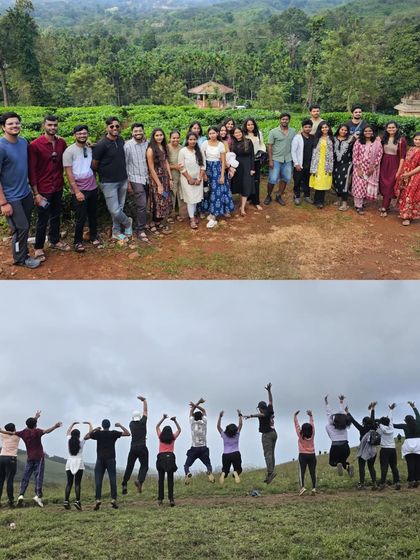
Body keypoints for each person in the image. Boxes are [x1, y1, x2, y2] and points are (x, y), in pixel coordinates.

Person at [0, 112, 39, 269]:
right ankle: (20, 258)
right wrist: (3, 203)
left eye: (17, 123)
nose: (15, 126)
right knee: (20, 228)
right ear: (3, 127)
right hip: (11, 198)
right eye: (10, 124)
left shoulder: (23, 142)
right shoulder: (1, 147)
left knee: (25, 227)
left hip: (25, 193)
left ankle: (23, 253)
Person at [0, 410, 62, 507]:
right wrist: (55, 426)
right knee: (38, 476)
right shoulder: (37, 431)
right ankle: (37, 495)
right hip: (39, 457)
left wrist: (0, 430)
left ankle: (21, 495)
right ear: (35, 425)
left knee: (26, 476)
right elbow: (47, 431)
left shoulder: (22, 432)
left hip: (28, 457)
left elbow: (11, 432)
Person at [29, 115, 69, 262]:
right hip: (43, 188)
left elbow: (69, 156)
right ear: (43, 126)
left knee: (56, 216)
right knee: (42, 219)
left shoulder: (61, 143)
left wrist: (87, 145)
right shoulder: (35, 145)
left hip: (57, 186)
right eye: (50, 125)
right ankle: (39, 247)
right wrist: (36, 193)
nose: (53, 127)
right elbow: (32, 170)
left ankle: (55, 240)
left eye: (55, 125)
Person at [92, 116, 132, 242]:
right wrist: (104, 173)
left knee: (119, 207)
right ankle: (128, 222)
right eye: (112, 126)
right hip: (108, 182)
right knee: (114, 210)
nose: (115, 128)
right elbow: (94, 164)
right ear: (107, 128)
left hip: (123, 179)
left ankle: (115, 231)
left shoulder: (121, 140)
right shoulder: (101, 144)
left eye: (117, 126)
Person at [63, 125, 100, 252]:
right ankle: (77, 241)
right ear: (74, 135)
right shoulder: (69, 151)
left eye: (84, 133)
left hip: (92, 186)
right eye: (79, 134)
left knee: (93, 214)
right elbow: (68, 173)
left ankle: (93, 236)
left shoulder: (90, 148)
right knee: (81, 216)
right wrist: (76, 191)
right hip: (79, 188)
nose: (82, 136)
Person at [85, 418, 130, 510]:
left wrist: (95, 430)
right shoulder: (113, 433)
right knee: (112, 480)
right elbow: (128, 433)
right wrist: (120, 425)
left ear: (102, 425)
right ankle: (113, 499)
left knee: (98, 481)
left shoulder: (98, 434)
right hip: (111, 459)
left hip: (100, 460)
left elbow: (86, 437)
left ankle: (97, 500)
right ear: (109, 426)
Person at [244, 383, 277, 484]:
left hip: (267, 434)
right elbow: (271, 400)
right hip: (274, 433)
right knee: (271, 453)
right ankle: (271, 472)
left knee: (267, 454)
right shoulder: (270, 409)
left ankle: (270, 473)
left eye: (259, 408)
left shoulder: (265, 413)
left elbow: (262, 415)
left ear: (261, 408)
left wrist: (251, 415)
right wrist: (269, 391)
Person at [201, 126, 234, 227]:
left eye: (214, 133)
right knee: (207, 190)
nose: (212, 135)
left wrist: (222, 175)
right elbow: (202, 159)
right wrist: (204, 173)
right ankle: (207, 210)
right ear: (208, 135)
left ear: (217, 134)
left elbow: (223, 161)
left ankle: (215, 213)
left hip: (217, 168)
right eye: (210, 133)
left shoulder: (220, 145)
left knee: (217, 190)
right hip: (207, 168)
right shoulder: (204, 144)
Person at [124, 122, 150, 243]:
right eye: (136, 131)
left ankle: (143, 224)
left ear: (143, 132)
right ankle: (140, 229)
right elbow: (124, 165)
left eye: (140, 131)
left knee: (146, 204)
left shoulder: (147, 143)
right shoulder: (128, 146)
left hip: (147, 178)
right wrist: (128, 183)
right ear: (132, 133)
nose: (138, 133)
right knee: (142, 204)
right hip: (135, 179)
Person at [146, 127, 174, 236]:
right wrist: (159, 185)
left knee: (165, 199)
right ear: (153, 137)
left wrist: (170, 178)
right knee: (157, 201)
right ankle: (152, 223)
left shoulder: (163, 146)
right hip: (156, 180)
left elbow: (166, 162)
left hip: (165, 178)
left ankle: (158, 222)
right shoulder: (150, 150)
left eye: (161, 135)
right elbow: (151, 168)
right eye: (157, 135)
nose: (159, 137)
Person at [265, 113, 295, 206]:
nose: (285, 121)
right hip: (276, 159)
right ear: (280, 120)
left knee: (285, 178)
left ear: (289, 120)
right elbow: (269, 146)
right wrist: (270, 160)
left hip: (288, 159)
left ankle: (279, 195)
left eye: (286, 119)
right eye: (283, 119)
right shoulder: (273, 132)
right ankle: (268, 195)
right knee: (272, 179)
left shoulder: (293, 131)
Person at [351, 125, 383, 215]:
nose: (368, 132)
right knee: (359, 186)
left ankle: (363, 202)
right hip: (359, 168)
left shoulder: (377, 143)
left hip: (371, 169)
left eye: (370, 131)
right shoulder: (358, 142)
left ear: (373, 132)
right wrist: (358, 168)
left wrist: (373, 167)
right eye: (366, 131)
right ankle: (358, 205)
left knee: (367, 187)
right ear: (363, 132)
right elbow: (355, 155)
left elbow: (379, 155)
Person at [346, 402, 378, 490]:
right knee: (371, 467)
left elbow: (354, 422)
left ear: (364, 423)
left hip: (363, 451)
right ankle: (374, 483)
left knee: (361, 467)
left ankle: (362, 484)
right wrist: (373, 409)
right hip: (373, 451)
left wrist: (348, 413)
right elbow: (372, 419)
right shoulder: (374, 428)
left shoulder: (362, 429)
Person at [122, 395, 149, 495]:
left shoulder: (131, 424)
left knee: (129, 466)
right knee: (144, 466)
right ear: (140, 417)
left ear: (133, 418)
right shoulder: (143, 422)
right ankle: (139, 480)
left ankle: (124, 483)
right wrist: (144, 401)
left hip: (133, 448)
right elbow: (146, 412)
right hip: (142, 446)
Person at [379, 121, 407, 217]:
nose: (391, 129)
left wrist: (399, 171)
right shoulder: (383, 138)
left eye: (393, 127)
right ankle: (386, 203)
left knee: (390, 185)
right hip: (383, 163)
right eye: (389, 127)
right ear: (386, 129)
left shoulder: (401, 140)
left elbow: (402, 157)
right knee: (383, 184)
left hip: (394, 164)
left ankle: (384, 207)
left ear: (397, 128)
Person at [178, 132, 205, 230]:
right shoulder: (183, 151)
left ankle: (193, 215)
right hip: (186, 179)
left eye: (194, 139)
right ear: (187, 140)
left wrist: (199, 178)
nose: (192, 141)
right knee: (190, 199)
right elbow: (181, 167)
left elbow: (203, 166)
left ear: (197, 140)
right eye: (190, 139)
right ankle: (192, 219)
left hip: (198, 178)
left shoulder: (199, 151)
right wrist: (189, 178)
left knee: (196, 198)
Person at [184, 398, 214, 484]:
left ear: (194, 417)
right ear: (201, 417)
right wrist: (197, 404)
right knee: (208, 464)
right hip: (203, 448)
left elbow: (190, 412)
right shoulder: (204, 422)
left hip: (194, 448)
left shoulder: (192, 423)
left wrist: (194, 405)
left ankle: (187, 473)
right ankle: (209, 471)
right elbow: (204, 410)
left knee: (187, 465)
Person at [64, 421, 93, 510]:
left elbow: (67, 432)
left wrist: (72, 424)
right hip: (79, 463)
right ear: (79, 435)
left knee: (69, 483)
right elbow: (90, 434)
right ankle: (77, 501)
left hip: (69, 462)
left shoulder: (69, 439)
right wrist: (90, 424)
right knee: (77, 483)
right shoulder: (81, 441)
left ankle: (66, 501)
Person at [324, 395, 354, 477]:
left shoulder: (328, 426)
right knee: (343, 460)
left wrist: (326, 403)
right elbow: (342, 414)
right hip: (345, 447)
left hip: (335, 447)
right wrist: (341, 402)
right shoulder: (344, 426)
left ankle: (338, 464)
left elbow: (329, 414)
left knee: (332, 462)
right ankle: (347, 467)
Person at [156, 414, 181, 506]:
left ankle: (160, 499)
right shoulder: (173, 437)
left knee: (161, 480)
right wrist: (175, 421)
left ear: (163, 432)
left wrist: (163, 418)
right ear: (170, 432)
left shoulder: (160, 437)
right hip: (170, 457)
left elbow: (157, 426)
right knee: (170, 480)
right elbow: (179, 430)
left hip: (161, 457)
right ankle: (171, 499)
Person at [395, 132, 420, 225]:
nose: (417, 141)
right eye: (416, 139)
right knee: (404, 194)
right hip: (406, 175)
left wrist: (409, 174)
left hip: (415, 176)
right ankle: (403, 213)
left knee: (411, 196)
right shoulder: (412, 149)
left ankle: (407, 217)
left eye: (419, 140)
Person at [393, 401, 420, 488]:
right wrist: (413, 407)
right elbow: (418, 416)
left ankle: (411, 480)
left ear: (406, 421)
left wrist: (385, 419)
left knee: (410, 464)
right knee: (418, 463)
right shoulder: (418, 424)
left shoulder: (405, 426)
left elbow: (393, 425)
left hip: (408, 446)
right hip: (418, 445)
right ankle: (417, 479)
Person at [375, 404, 401, 491]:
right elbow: (390, 419)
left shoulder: (380, 430)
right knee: (394, 466)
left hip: (384, 450)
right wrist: (391, 410)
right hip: (392, 449)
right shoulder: (391, 427)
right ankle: (397, 482)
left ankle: (382, 483)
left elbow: (377, 428)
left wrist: (378, 423)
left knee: (384, 466)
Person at [230, 127, 255, 217]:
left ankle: (243, 208)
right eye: (235, 133)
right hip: (238, 166)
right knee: (240, 185)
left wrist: (252, 168)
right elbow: (231, 156)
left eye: (239, 132)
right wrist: (232, 168)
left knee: (246, 185)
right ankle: (241, 204)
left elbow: (252, 156)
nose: (238, 134)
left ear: (242, 132)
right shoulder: (233, 144)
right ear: (233, 134)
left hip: (247, 165)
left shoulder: (248, 141)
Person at [309, 121, 334, 209]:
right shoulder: (316, 138)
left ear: (329, 128)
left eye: (326, 127)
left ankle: (320, 201)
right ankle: (316, 200)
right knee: (318, 182)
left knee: (323, 182)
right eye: (322, 127)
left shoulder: (331, 138)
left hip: (327, 164)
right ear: (320, 129)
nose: (324, 129)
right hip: (317, 163)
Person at [243, 118, 266, 210]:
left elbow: (262, 144)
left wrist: (262, 152)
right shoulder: (244, 135)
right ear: (245, 126)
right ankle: (248, 197)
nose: (250, 126)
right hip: (247, 161)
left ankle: (256, 201)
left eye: (252, 124)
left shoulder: (259, 133)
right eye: (248, 125)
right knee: (248, 180)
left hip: (256, 160)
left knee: (256, 180)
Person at [291, 119, 314, 205]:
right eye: (306, 127)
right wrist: (296, 163)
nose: (308, 128)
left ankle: (307, 196)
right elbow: (293, 151)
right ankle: (297, 196)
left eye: (309, 127)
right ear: (302, 127)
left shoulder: (312, 137)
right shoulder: (297, 137)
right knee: (297, 180)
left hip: (309, 163)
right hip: (300, 163)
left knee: (307, 180)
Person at [293, 410, 316, 496]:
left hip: (302, 455)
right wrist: (310, 416)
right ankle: (314, 488)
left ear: (302, 430)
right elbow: (312, 425)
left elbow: (296, 425)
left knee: (302, 471)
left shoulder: (300, 434)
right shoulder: (312, 433)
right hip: (312, 454)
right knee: (312, 471)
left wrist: (295, 416)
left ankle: (302, 487)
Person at [217, 409, 243, 484]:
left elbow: (218, 426)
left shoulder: (224, 435)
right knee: (239, 469)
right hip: (236, 453)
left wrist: (220, 417)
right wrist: (239, 415)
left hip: (226, 455)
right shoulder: (237, 434)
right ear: (235, 430)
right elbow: (240, 424)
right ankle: (235, 473)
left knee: (225, 470)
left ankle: (223, 474)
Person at [333, 124, 354, 211]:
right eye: (342, 129)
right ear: (339, 129)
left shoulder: (351, 139)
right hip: (335, 163)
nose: (343, 131)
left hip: (347, 164)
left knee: (344, 182)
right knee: (336, 181)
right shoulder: (333, 139)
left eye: (345, 130)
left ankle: (344, 203)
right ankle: (338, 199)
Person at [167, 129, 186, 223]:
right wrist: (175, 166)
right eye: (173, 138)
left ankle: (178, 213)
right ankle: (170, 214)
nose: (176, 139)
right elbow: (164, 164)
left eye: (177, 138)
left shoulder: (182, 148)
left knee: (179, 194)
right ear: (170, 138)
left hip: (181, 175)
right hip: (171, 175)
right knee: (171, 194)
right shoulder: (166, 148)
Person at [0, 422, 20, 507]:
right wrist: (36, 418)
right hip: (11, 458)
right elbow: (29, 426)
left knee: (0, 481)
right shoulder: (17, 436)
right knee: (9, 480)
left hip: (1, 457)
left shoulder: (3, 435)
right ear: (14, 429)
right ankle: (11, 501)